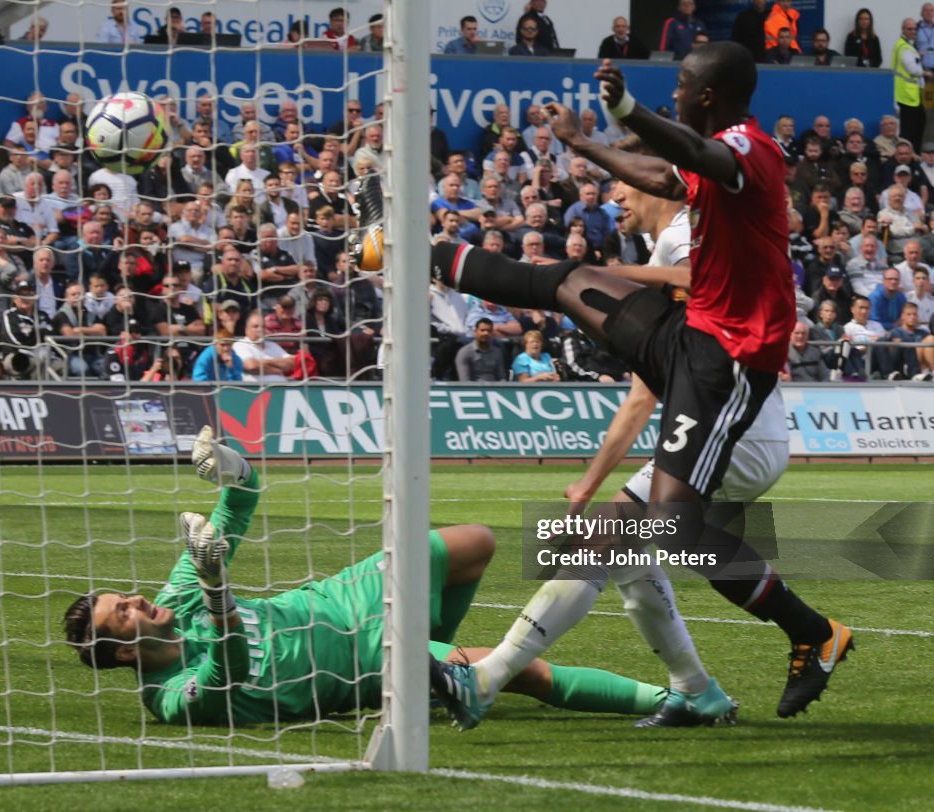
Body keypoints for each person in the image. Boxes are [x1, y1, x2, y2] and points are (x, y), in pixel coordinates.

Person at [411, 44, 852, 720]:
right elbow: (670, 172)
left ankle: (812, 632)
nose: (621, 194)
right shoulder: (707, 167)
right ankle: (423, 252)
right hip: (693, 343)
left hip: (726, 368)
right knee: (567, 282)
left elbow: (687, 165)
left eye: (680, 84)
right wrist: (586, 142)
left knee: (669, 529)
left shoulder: (749, 152)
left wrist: (623, 110)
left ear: (706, 96)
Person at [429, 145, 793, 730]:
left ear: (660, 186)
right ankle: (697, 691)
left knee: (604, 543)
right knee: (622, 552)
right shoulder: (671, 239)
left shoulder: (683, 235)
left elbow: (706, 281)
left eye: (622, 183)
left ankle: (487, 679)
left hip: (737, 434)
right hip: (741, 433)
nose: (615, 195)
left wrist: (599, 278)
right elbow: (645, 392)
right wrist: (590, 480)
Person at [65, 428, 668, 725]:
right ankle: (673, 700)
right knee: (523, 670)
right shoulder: (171, 702)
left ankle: (438, 659)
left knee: (474, 543)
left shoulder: (173, 601)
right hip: (362, 657)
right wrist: (219, 592)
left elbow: (238, 508)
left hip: (341, 596)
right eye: (123, 612)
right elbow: (234, 670)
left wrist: (235, 470)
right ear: (122, 656)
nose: (138, 600)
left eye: (126, 598)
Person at [892, 18, 931, 153]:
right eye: (909, 29)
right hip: (906, 96)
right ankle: (911, 156)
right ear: (903, 30)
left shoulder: (907, 46)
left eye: (915, 29)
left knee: (918, 123)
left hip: (910, 96)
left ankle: (913, 155)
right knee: (910, 132)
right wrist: (925, 72)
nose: (913, 31)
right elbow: (912, 69)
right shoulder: (904, 47)